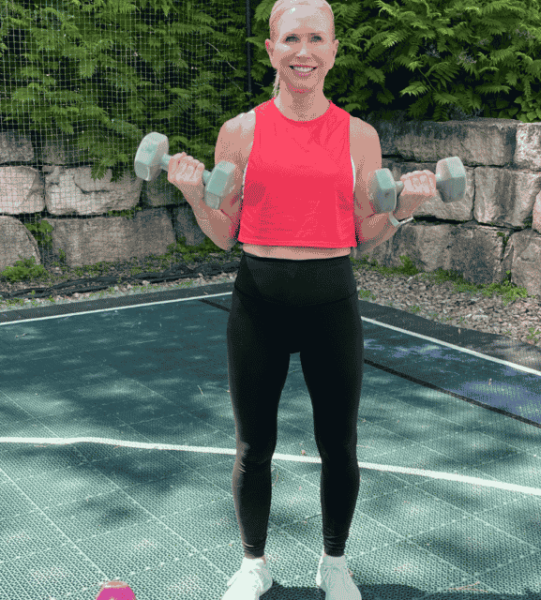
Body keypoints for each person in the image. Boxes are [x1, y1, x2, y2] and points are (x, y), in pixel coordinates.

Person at [168, 1, 436, 598]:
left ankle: (333, 562)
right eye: (291, 38)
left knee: (338, 444)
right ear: (271, 49)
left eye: (317, 38)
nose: (304, 51)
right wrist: (193, 196)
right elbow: (222, 230)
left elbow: (367, 229)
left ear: (334, 50)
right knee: (252, 445)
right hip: (258, 302)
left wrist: (407, 208)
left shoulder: (359, 136)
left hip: (330, 303)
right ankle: (252, 564)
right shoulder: (240, 132)